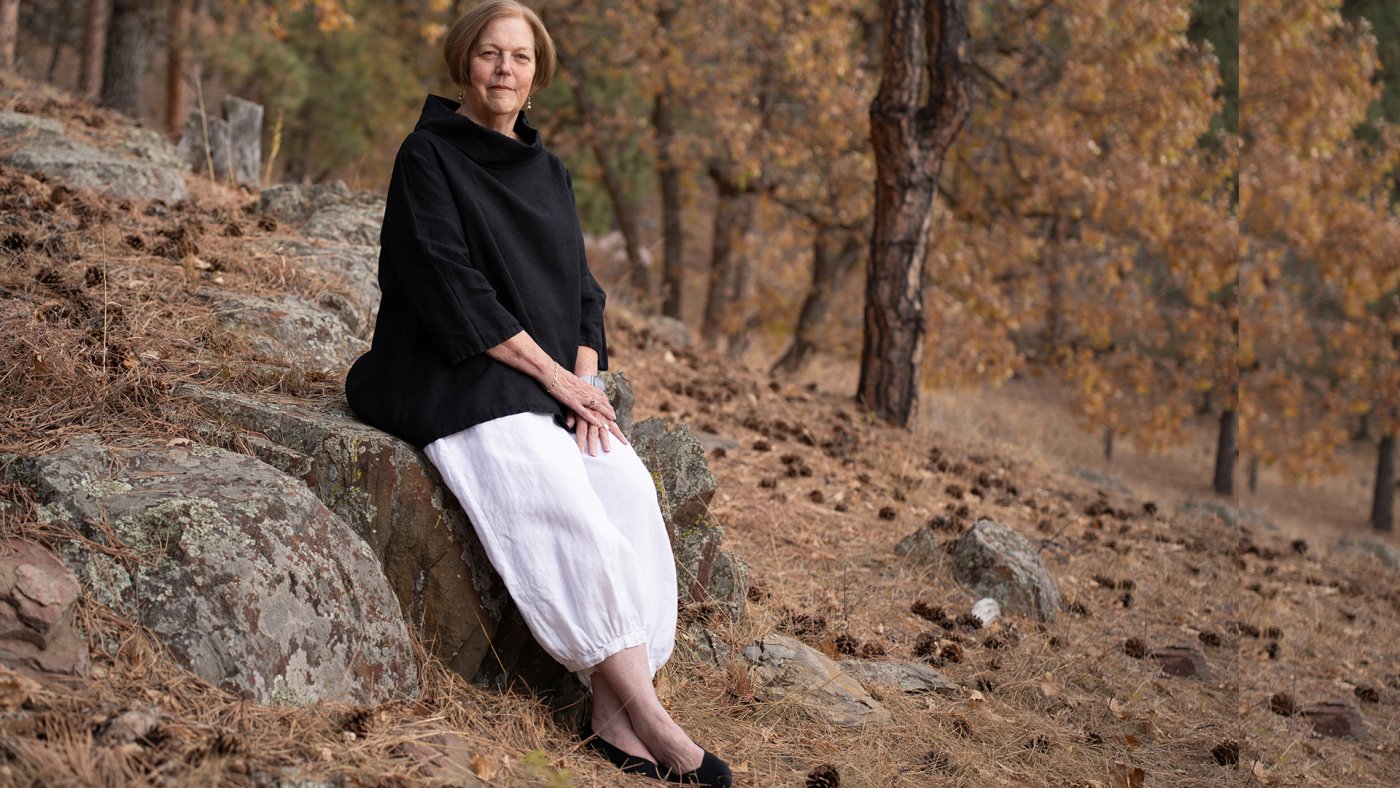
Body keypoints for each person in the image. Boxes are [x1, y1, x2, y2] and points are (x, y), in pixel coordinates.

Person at [344, 2, 732, 785]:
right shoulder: (428, 155)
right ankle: (655, 724)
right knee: (544, 474)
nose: (503, 70)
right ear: (465, 61)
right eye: (489, 54)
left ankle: (614, 710)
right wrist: (553, 378)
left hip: (539, 375)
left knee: (619, 475)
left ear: (536, 72)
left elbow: (583, 293)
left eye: (519, 58)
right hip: (445, 366)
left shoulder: (547, 171)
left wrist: (584, 383)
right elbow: (451, 288)